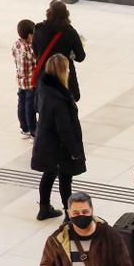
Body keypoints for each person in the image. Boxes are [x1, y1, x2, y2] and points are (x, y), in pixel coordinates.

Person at [31, 54, 86, 221]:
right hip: (59, 146)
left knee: (49, 173)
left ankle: (44, 208)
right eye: (67, 68)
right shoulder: (60, 99)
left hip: (45, 140)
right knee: (65, 178)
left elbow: (36, 107)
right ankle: (69, 215)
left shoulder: (43, 85)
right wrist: (75, 152)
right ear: (62, 72)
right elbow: (65, 130)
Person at [32, 0, 86, 102]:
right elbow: (80, 57)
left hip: (45, 76)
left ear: (49, 13)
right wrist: (70, 54)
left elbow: (35, 51)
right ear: (66, 14)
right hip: (64, 76)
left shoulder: (38, 29)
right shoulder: (70, 32)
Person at [12, 19, 37, 139]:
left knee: (21, 104)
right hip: (31, 82)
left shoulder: (16, 44)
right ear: (29, 35)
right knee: (30, 107)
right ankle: (33, 131)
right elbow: (36, 62)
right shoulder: (30, 49)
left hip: (20, 80)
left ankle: (24, 128)